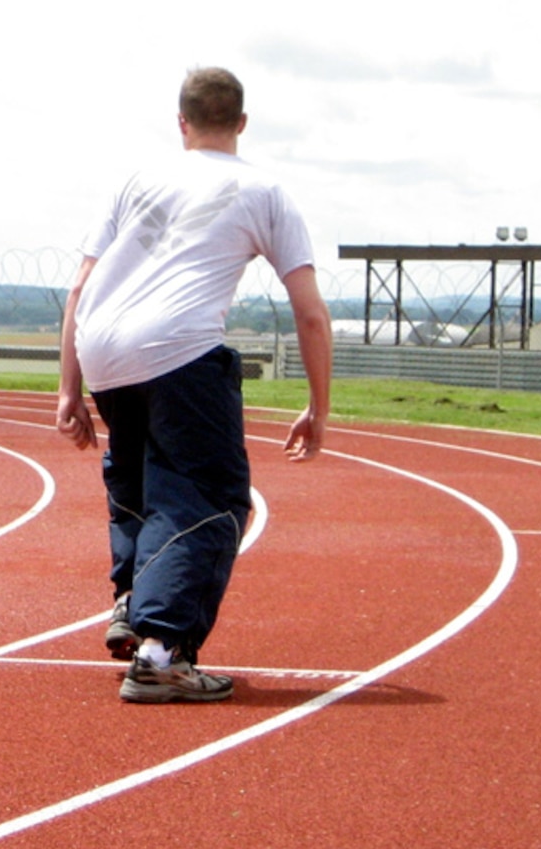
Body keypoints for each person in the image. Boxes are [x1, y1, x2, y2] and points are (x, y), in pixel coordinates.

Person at [57, 67, 334, 704]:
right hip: (179, 348)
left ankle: (133, 602)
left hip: (103, 350)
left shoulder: (137, 179)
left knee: (137, 484)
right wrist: (319, 405)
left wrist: (68, 389)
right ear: (240, 122)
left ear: (181, 122)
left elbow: (78, 286)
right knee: (207, 499)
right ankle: (161, 652)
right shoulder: (263, 190)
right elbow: (311, 310)